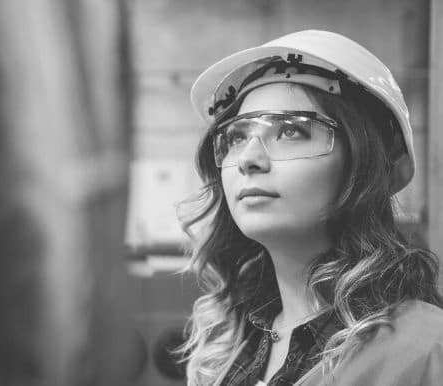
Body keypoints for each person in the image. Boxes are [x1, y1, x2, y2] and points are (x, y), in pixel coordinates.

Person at [177, 30, 443, 386]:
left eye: (291, 131)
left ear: (363, 164)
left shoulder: (425, 347)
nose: (249, 160)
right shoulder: (224, 345)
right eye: (237, 137)